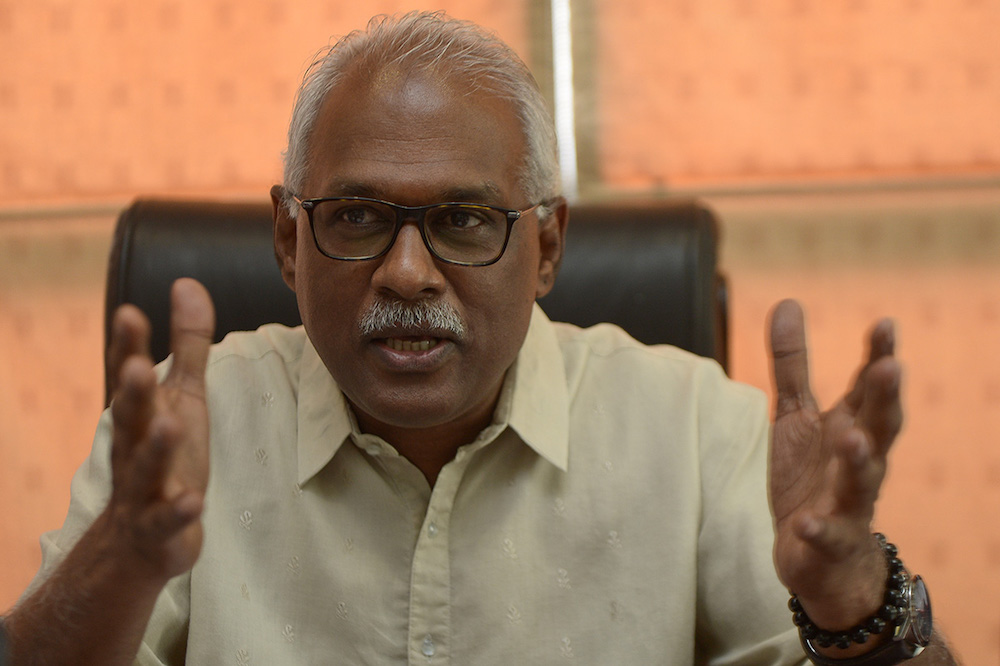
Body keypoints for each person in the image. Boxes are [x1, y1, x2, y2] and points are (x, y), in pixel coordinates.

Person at [0, 11, 958, 665]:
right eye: (358, 216)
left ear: (546, 247)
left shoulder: (696, 431)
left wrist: (851, 595)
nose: (407, 273)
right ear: (289, 241)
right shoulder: (187, 427)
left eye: (463, 220)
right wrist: (121, 559)